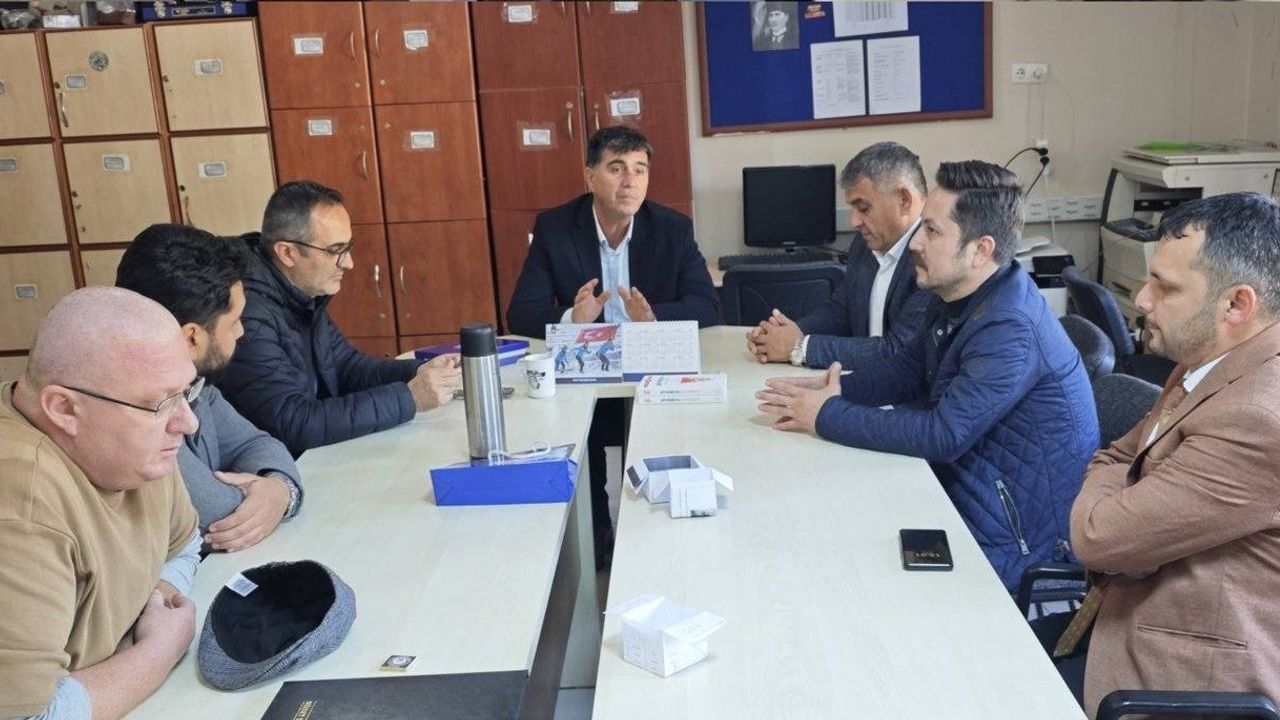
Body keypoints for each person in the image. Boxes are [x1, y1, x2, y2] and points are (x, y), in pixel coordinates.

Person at [756, 160, 1098, 590]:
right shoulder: (958, 292)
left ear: (981, 250)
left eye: (932, 231)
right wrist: (833, 391)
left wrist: (827, 415)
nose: (915, 243)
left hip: (1014, 546)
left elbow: (944, 434)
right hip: (962, 492)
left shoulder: (1010, 327)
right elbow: (907, 370)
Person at [1064, 192, 1280, 718]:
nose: (1142, 300)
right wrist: (1120, 491)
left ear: (1237, 305)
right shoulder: (1207, 360)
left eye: (1165, 286)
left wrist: (1115, 503)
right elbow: (1117, 455)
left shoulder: (1258, 416)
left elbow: (1098, 537)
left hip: (1186, 680)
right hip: (1125, 613)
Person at [506, 126, 720, 569]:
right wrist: (573, 318)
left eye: (640, 170)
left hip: (648, 372)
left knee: (653, 443)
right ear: (590, 176)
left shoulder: (673, 229)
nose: (630, 182)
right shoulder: (555, 228)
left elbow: (707, 305)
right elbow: (520, 313)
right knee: (582, 445)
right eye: (617, 168)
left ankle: (651, 547)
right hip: (587, 372)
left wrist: (652, 319)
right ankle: (595, 538)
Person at [0, 288, 201, 719]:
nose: (188, 422)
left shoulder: (132, 448)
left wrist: (154, 603)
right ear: (64, 409)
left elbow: (185, 542)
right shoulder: (21, 504)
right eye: (160, 403)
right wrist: (161, 647)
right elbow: (26, 717)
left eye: (186, 392)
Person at [217, 181, 463, 457]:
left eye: (348, 248)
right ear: (287, 253)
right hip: (281, 468)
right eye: (335, 250)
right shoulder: (247, 313)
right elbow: (293, 422)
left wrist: (419, 371)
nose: (349, 263)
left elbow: (346, 368)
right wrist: (410, 398)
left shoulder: (299, 291)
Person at [116, 224, 304, 552]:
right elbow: (217, 518)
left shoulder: (197, 385)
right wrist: (270, 495)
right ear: (192, 338)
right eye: (234, 321)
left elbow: (257, 443)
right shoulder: (134, 408)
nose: (242, 332)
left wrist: (279, 489)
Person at [746, 141, 935, 371]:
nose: (854, 221)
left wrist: (799, 347)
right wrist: (792, 332)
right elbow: (842, 310)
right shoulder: (865, 245)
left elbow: (897, 351)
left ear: (903, 199)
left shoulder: (933, 257)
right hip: (862, 381)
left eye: (863, 208)